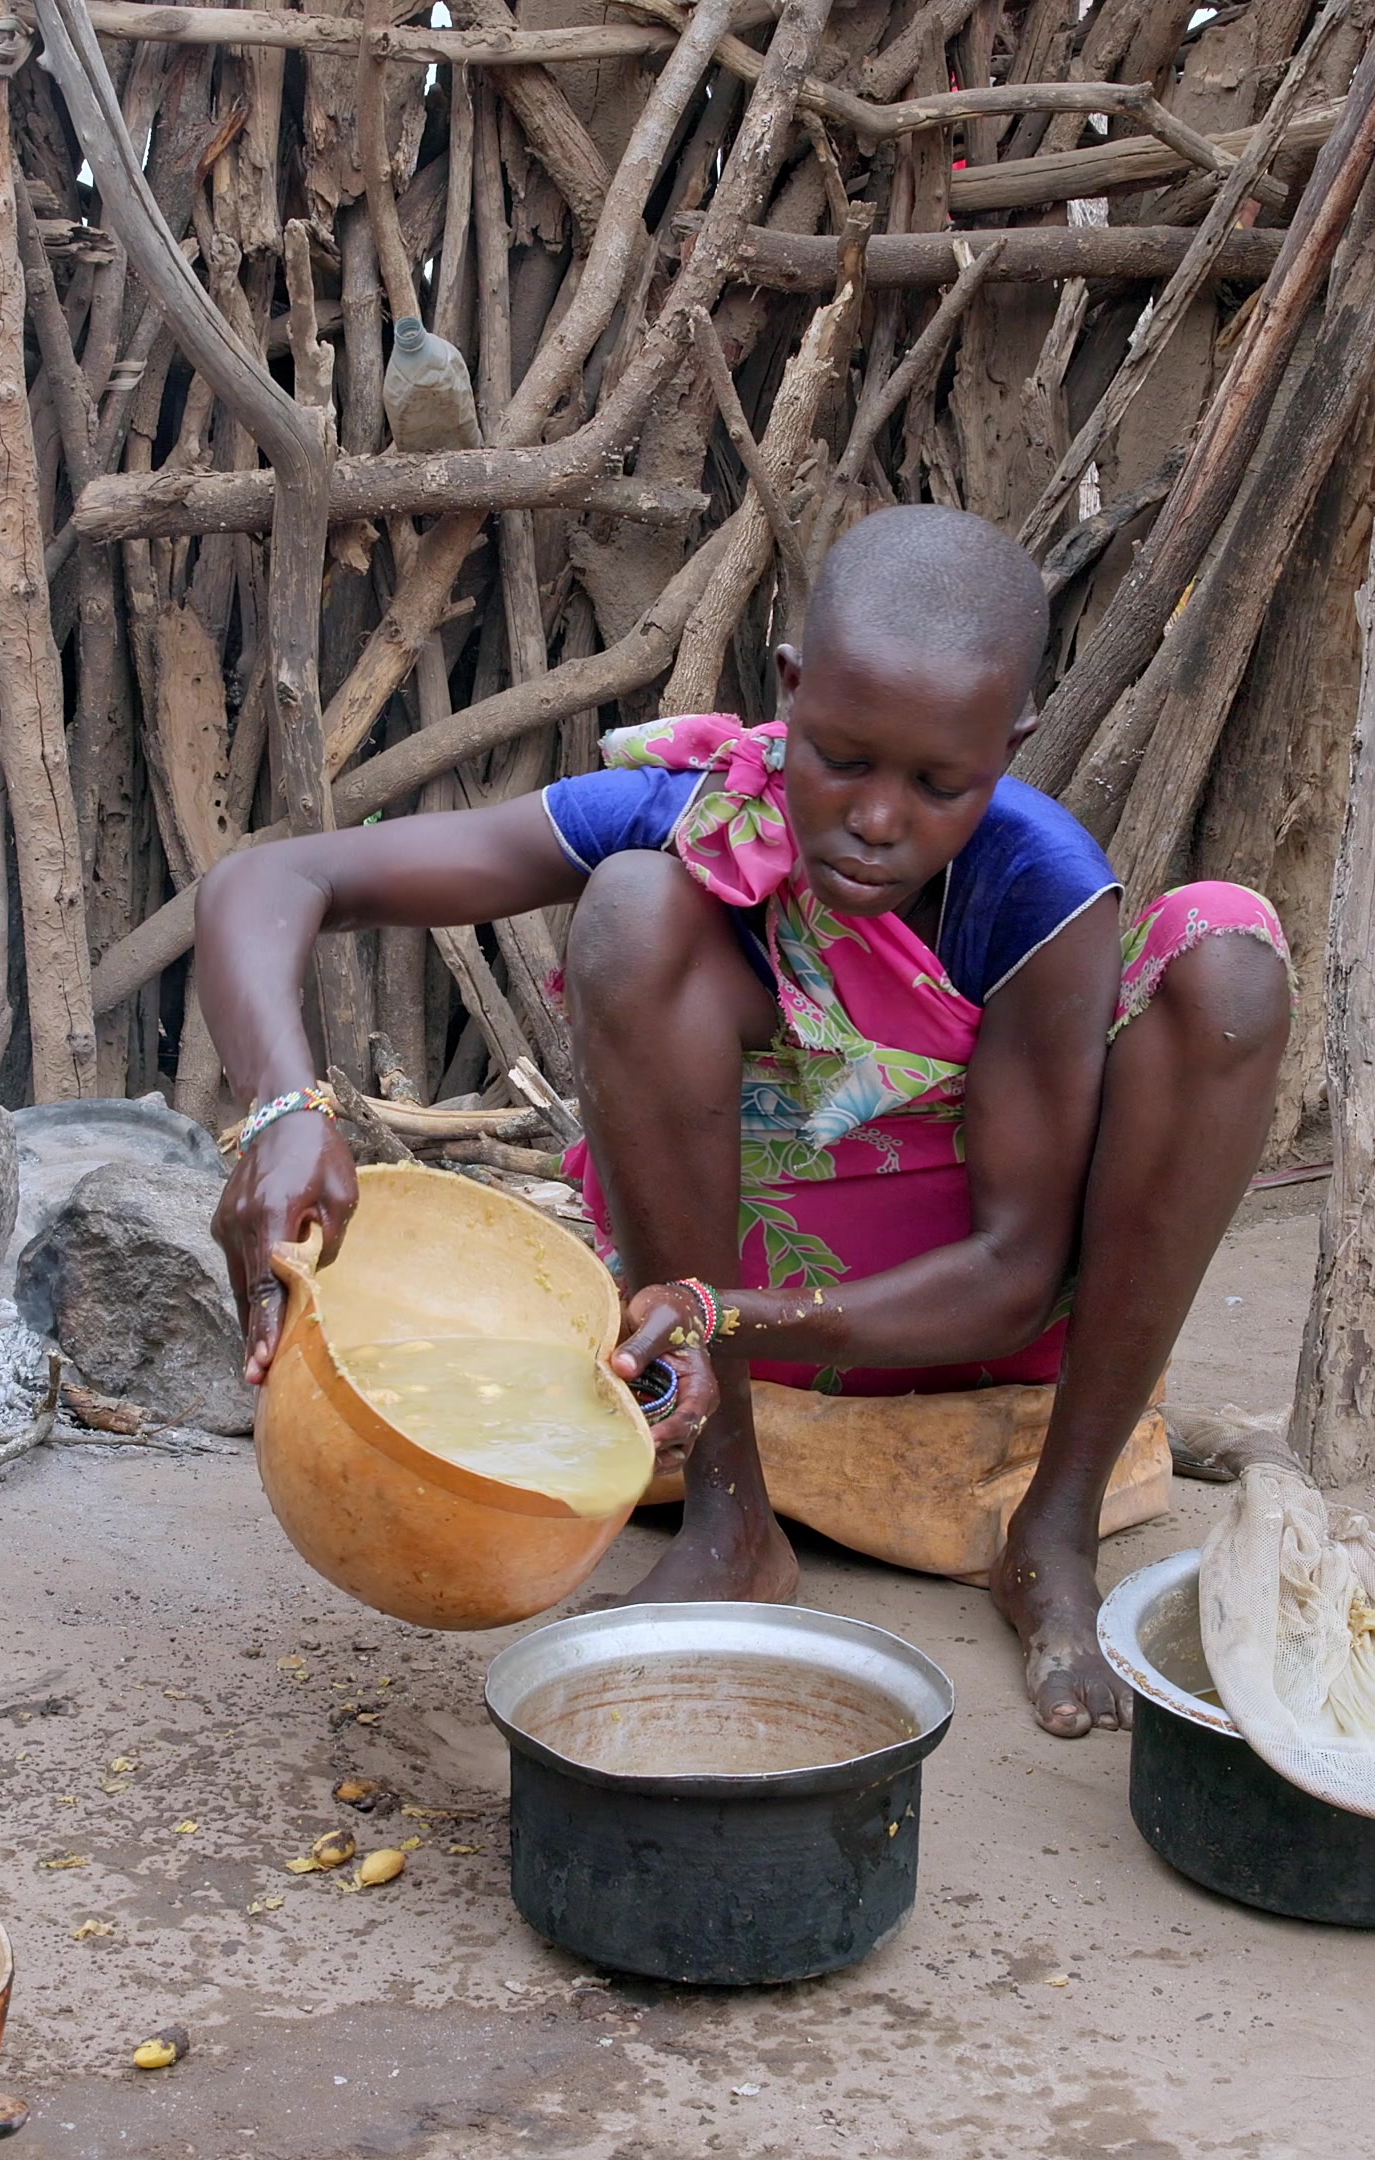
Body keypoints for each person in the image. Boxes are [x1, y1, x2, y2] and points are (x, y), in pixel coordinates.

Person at [196, 504, 1292, 1736]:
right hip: (696, 1344)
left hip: (949, 1322)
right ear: (789, 688)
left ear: (1011, 746)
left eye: (940, 785)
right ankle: (730, 1520)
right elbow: (274, 878)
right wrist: (284, 1111)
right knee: (633, 905)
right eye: (842, 759)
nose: (879, 819)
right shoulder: (699, 812)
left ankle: (1056, 1526)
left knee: (1227, 957)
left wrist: (727, 1312)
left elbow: (1014, 1279)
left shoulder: (1037, 888)